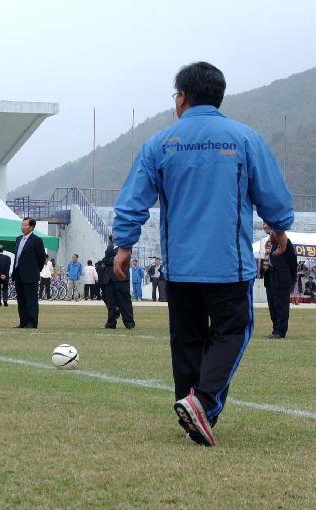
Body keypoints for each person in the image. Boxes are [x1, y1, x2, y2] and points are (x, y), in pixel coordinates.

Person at [113, 61, 294, 446]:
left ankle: (191, 411)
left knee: (187, 339)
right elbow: (272, 195)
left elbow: (132, 201)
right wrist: (278, 228)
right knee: (232, 331)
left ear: (181, 98)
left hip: (179, 268)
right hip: (229, 266)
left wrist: (125, 244)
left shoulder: (160, 143)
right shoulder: (244, 139)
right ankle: (204, 403)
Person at [12, 217, 46, 328]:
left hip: (30, 275)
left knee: (31, 300)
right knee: (21, 300)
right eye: (22, 225)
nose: (23, 227)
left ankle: (32, 322)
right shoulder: (18, 239)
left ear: (31, 227)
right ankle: (23, 322)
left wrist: (35, 270)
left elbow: (41, 258)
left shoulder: (36, 240)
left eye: (25, 225)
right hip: (18, 275)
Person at [267, 232, 297, 339]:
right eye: (264, 224)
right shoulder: (268, 243)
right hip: (269, 276)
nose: (265, 226)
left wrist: (292, 278)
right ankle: (275, 328)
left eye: (268, 224)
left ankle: (280, 331)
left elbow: (293, 260)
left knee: (281, 305)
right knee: (272, 305)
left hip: (282, 278)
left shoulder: (285, 242)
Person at [102, 235, 135, 330]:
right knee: (111, 303)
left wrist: (107, 260)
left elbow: (119, 259)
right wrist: (108, 260)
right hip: (110, 278)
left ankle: (129, 323)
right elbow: (106, 259)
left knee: (124, 302)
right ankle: (111, 323)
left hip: (121, 278)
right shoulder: (110, 246)